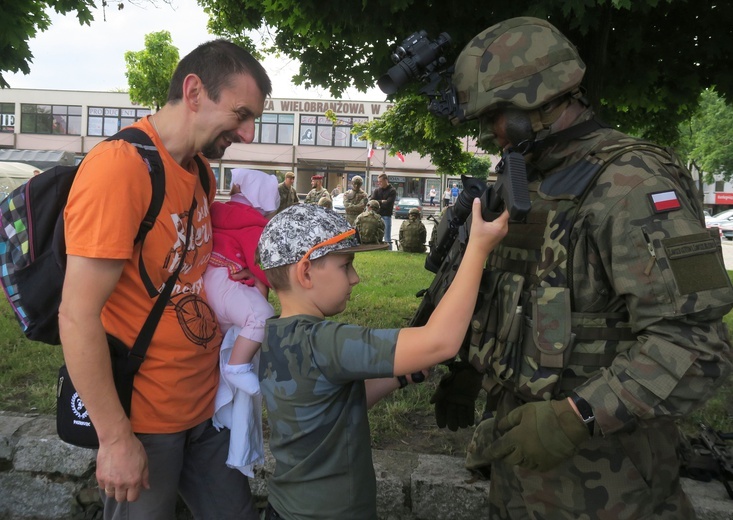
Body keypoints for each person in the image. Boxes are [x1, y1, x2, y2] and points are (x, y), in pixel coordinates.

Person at [430, 17, 733, 519]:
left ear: (539, 105)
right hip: (520, 479)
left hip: (614, 487)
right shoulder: (525, 181)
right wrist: (467, 373)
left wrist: (579, 415)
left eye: (495, 118)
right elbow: (512, 299)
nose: (489, 134)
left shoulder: (634, 185)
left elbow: (697, 344)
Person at [58, 39, 271, 519]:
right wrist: (115, 438)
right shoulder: (119, 169)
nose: (249, 133)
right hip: (145, 420)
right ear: (194, 91)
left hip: (207, 406)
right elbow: (76, 314)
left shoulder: (199, 172)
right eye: (241, 114)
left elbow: (189, 272)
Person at [254, 202, 509, 519]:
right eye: (346, 265)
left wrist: (400, 376)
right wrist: (478, 249)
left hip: (285, 507)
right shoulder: (326, 342)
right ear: (305, 272)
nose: (355, 278)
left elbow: (329, 407)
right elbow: (440, 341)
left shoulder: (272, 333)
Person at [205, 168, 279, 479]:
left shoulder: (216, 214)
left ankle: (223, 400)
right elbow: (262, 266)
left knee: (228, 340)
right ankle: (236, 368)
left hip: (208, 286)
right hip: (230, 285)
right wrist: (270, 283)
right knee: (262, 317)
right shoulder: (253, 225)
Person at [370, 173, 397, 249]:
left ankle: (389, 251)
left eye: (380, 181)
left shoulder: (392, 191)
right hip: (376, 216)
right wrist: (381, 201)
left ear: (386, 181)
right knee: (376, 235)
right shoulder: (377, 190)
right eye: (378, 181)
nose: (379, 183)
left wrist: (377, 203)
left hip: (386, 216)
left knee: (387, 237)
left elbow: (388, 204)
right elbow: (371, 202)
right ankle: (377, 249)